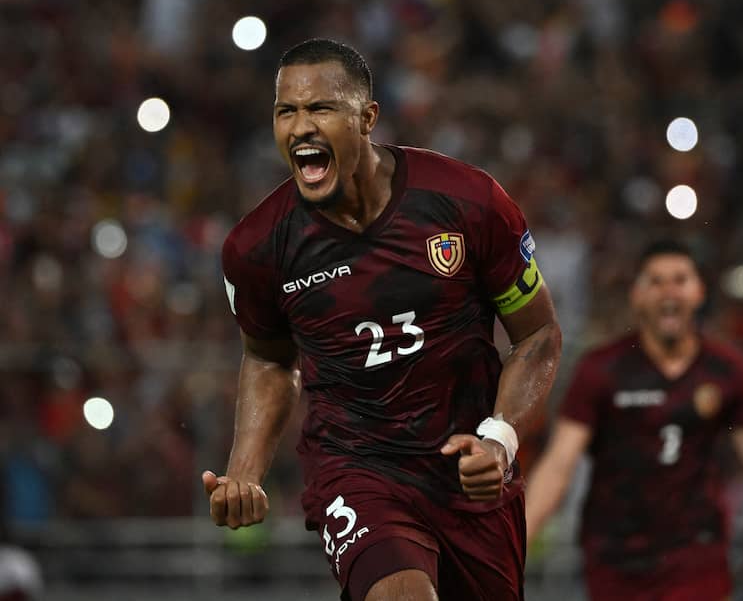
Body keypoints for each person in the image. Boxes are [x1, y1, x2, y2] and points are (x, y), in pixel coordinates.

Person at [203, 38, 562, 601]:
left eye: (319, 108)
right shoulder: (257, 247)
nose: (300, 127)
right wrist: (244, 470)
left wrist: (499, 440)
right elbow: (269, 359)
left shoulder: (468, 202)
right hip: (356, 466)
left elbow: (537, 334)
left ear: (367, 117)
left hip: (469, 473)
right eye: (286, 111)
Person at [525, 239, 743, 600]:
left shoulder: (728, 370)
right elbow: (558, 467)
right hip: (616, 561)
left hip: (696, 560)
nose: (669, 291)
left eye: (680, 279)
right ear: (637, 295)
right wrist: (516, 549)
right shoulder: (601, 371)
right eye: (656, 281)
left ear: (699, 291)